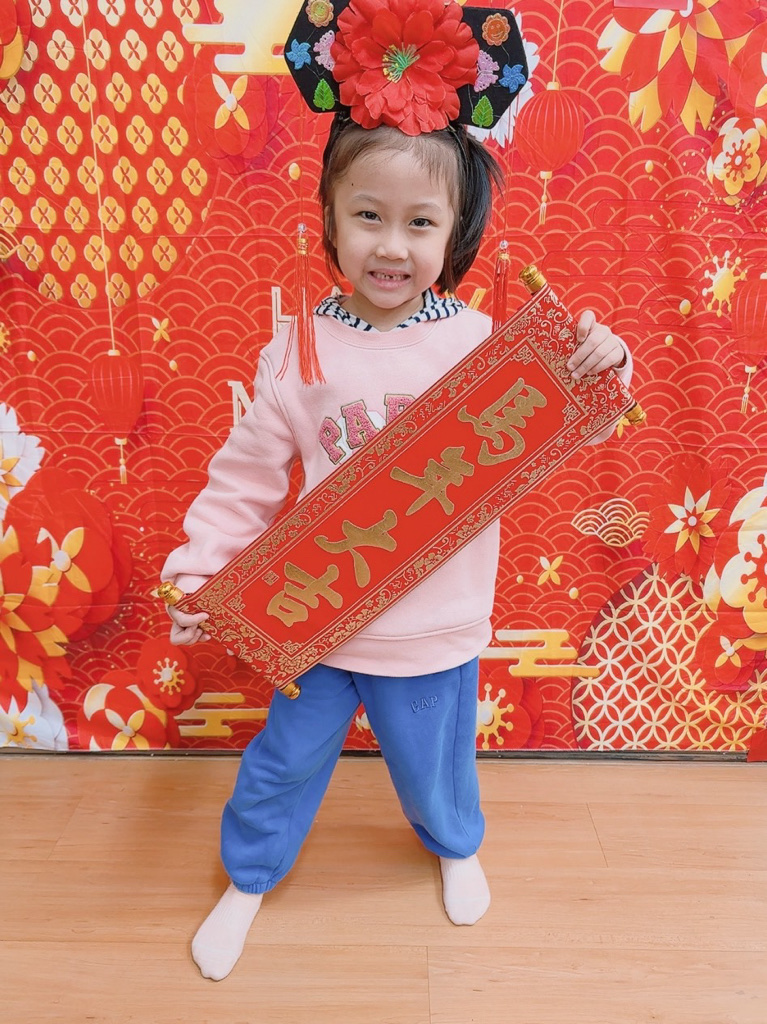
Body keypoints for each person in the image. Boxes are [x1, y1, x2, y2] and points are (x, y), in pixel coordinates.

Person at [160, 112, 633, 981]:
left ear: (455, 233)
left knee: (433, 770)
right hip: (318, 622)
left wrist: (602, 363)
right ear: (330, 219)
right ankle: (249, 875)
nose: (391, 245)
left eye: (420, 222)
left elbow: (579, 419)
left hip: (432, 627)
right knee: (282, 762)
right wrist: (201, 570)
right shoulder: (296, 351)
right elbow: (245, 480)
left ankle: (454, 845)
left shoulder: (480, 343)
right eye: (367, 215)